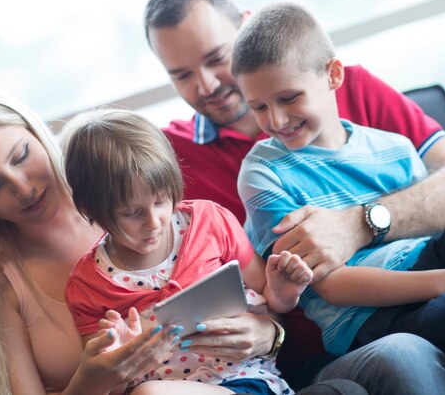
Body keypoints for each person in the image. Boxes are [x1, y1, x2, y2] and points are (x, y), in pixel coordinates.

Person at [143, 0, 445, 391]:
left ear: (247, 28)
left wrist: (363, 222)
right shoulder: (171, 162)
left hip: (431, 270)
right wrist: (266, 331)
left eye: (216, 58)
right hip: (325, 352)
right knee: (401, 353)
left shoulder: (343, 85)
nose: (206, 85)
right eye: (181, 75)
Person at [233, 0, 445, 382]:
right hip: (370, 317)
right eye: (259, 107)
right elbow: (331, 287)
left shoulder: (393, 147)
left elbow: (434, 227)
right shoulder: (262, 174)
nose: (275, 120)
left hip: (435, 257)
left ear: (333, 75)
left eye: (288, 98)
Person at [0, 82, 188, 395]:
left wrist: (260, 329)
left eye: (21, 156)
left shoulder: (126, 186)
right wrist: (88, 383)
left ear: (38, 133)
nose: (23, 188)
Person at [63, 108, 315, 395]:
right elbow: (105, 382)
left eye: (161, 201)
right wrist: (124, 358)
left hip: (243, 379)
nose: (154, 221)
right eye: (132, 213)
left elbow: (271, 302)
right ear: (90, 210)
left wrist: (284, 291)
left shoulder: (210, 221)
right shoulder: (86, 286)